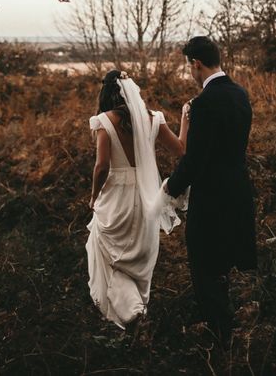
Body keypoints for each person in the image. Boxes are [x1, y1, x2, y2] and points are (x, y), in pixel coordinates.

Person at [165, 36, 257, 344]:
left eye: (189, 67)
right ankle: (223, 321)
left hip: (211, 196)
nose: (190, 73)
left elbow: (196, 159)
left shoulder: (203, 104)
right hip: (238, 190)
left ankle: (219, 332)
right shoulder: (240, 94)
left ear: (196, 64)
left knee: (203, 261)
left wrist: (170, 187)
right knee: (222, 258)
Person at [86, 69, 188, 328]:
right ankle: (136, 311)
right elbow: (181, 150)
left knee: (111, 255)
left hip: (115, 198)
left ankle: (129, 316)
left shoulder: (104, 121)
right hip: (146, 197)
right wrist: (186, 119)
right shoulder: (154, 119)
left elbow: (101, 166)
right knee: (138, 255)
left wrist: (94, 195)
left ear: (107, 93)